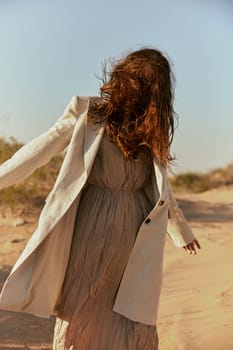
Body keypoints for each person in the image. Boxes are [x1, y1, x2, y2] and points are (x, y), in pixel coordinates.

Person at [0, 48, 201, 349]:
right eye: (135, 79)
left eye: (147, 84)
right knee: (83, 298)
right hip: (91, 222)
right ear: (122, 77)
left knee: (129, 307)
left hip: (135, 229)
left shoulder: (150, 127)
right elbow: (38, 152)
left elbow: (160, 189)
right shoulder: (88, 111)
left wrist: (179, 230)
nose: (138, 88)